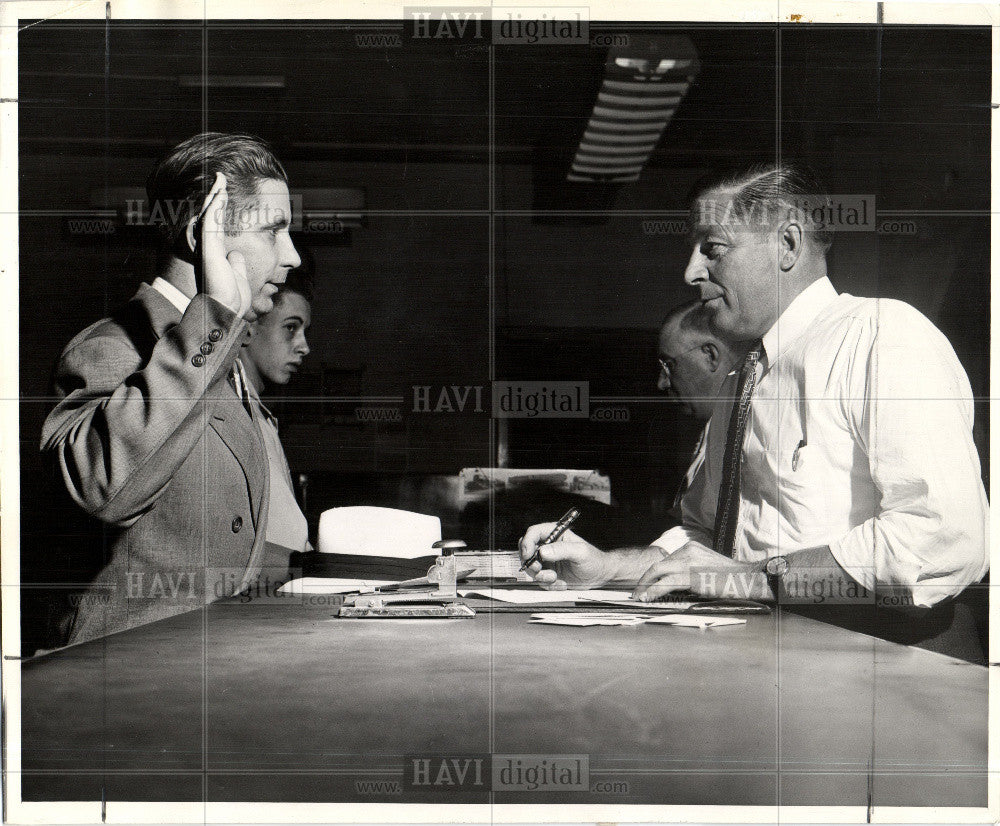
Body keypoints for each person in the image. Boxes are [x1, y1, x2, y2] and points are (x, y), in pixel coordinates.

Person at [520, 161, 988, 641]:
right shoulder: (744, 377)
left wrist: (751, 578)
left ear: (787, 244)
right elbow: (706, 542)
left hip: (886, 667)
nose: (691, 271)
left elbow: (941, 538)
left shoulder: (881, 335)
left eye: (714, 249)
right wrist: (605, 568)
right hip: (773, 664)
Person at [40, 132, 301, 645]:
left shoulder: (219, 350)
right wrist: (214, 318)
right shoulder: (109, 348)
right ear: (200, 235)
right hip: (124, 687)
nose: (291, 256)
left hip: (198, 675)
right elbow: (105, 490)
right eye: (275, 231)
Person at [239, 268, 313, 558]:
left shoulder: (260, 416)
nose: (304, 347)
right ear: (248, 328)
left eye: (305, 331)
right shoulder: (234, 414)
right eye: (291, 328)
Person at [654, 300, 748, 525]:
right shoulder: (714, 428)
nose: (662, 383)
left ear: (710, 355)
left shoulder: (746, 436)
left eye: (669, 364)